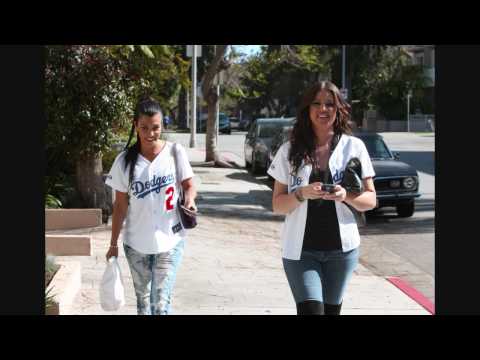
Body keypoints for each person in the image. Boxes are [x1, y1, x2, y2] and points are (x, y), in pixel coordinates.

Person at [267, 81, 377, 315]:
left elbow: (371, 200)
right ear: (307, 109)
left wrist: (345, 196)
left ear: (339, 109)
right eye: (316, 103)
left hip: (342, 252)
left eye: (330, 104)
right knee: (312, 310)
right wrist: (301, 194)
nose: (323, 109)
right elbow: (277, 205)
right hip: (300, 252)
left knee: (330, 311)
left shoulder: (354, 147)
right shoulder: (289, 150)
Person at [105, 97, 197, 315]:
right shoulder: (124, 161)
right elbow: (119, 206)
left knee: (161, 304)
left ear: (162, 125)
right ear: (135, 124)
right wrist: (113, 244)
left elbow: (189, 185)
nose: (150, 133)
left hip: (171, 240)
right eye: (144, 127)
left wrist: (190, 199)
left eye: (155, 128)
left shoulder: (175, 152)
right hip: (136, 244)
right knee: (144, 304)